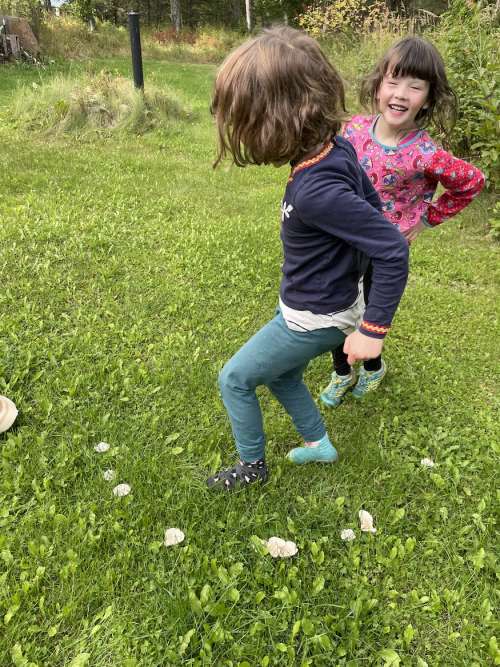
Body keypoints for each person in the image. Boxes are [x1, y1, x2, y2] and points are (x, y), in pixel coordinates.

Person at [206, 26, 409, 490]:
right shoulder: (334, 148)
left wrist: (372, 330)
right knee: (280, 377)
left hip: (314, 319)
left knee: (234, 378)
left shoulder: (318, 189)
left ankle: (252, 469)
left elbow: (391, 248)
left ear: (277, 118)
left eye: (246, 120)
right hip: (314, 303)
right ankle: (320, 445)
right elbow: (373, 211)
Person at [320, 36, 485, 408]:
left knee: (369, 316)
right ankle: (342, 372)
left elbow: (473, 181)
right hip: (343, 243)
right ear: (378, 85)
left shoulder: (426, 153)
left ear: (427, 98)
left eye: (415, 86)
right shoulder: (354, 131)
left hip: (385, 254)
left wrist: (425, 219)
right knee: (337, 308)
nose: (401, 93)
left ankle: (372, 366)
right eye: (393, 81)